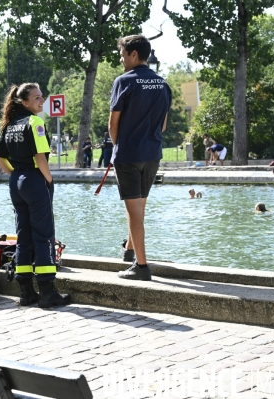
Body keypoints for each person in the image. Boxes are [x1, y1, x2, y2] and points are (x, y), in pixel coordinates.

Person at [0, 82, 71, 308]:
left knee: (23, 234)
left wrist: (15, 174)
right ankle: (47, 292)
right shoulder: (35, 122)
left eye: (42, 97)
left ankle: (26, 291)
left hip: (17, 182)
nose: (41, 100)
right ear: (24, 102)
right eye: (37, 98)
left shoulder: (9, 125)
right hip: (34, 180)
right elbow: (40, 157)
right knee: (44, 234)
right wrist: (48, 180)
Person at [109, 35, 172, 281]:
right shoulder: (163, 84)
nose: (122, 60)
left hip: (128, 154)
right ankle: (130, 251)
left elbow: (113, 123)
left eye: (123, 55)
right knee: (139, 206)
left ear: (134, 54)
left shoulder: (124, 81)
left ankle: (141, 267)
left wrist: (118, 147)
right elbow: (163, 125)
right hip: (152, 154)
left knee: (134, 211)